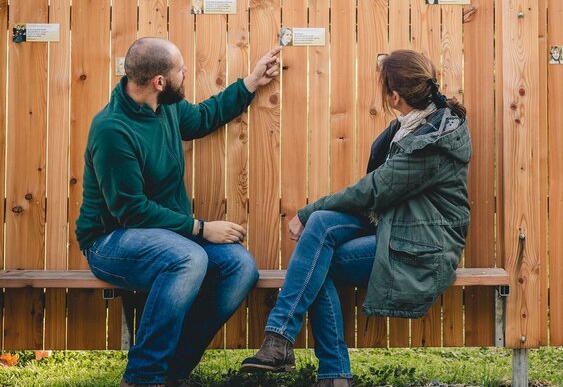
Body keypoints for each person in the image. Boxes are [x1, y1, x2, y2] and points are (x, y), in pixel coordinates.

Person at [240, 49, 471, 387]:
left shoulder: (431, 141)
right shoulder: (419, 123)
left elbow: (375, 189)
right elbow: (379, 194)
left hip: (423, 244)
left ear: (394, 95)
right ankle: (279, 342)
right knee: (319, 232)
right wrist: (315, 215)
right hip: (396, 222)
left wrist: (307, 209)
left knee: (318, 261)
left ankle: (327, 370)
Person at [75, 37, 282, 386]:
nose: (185, 74)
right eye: (180, 71)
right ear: (159, 81)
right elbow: (131, 211)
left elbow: (201, 118)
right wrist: (201, 228)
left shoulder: (165, 107)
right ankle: (143, 377)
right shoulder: (112, 129)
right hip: (109, 242)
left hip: (171, 238)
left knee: (239, 267)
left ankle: (172, 372)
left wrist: (250, 83)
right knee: (189, 258)